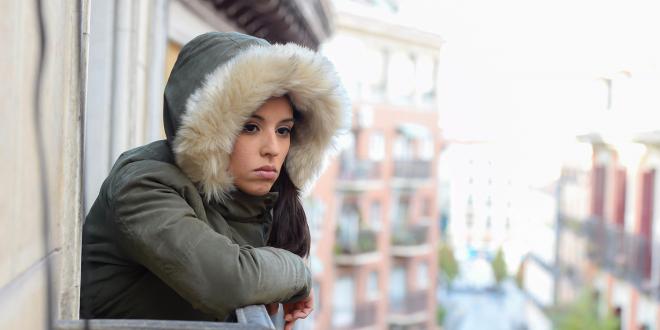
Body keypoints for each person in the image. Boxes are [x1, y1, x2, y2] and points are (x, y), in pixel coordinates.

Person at [80, 31, 349, 329]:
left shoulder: (254, 202)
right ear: (208, 129)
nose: (272, 149)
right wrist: (298, 272)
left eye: (283, 130)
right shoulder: (142, 185)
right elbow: (228, 281)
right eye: (250, 127)